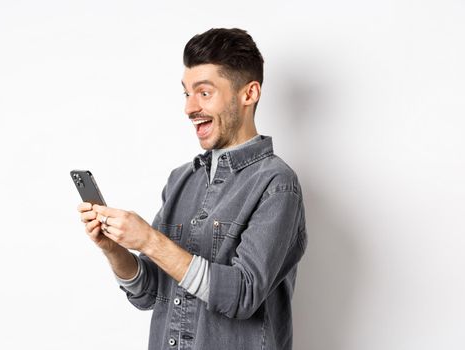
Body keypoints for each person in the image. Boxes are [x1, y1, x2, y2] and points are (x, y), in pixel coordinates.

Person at [78, 28, 307, 350]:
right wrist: (113, 248)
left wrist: (149, 239)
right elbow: (148, 294)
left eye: (204, 92)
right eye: (186, 94)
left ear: (248, 94)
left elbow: (242, 296)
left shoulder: (276, 184)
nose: (189, 108)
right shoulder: (181, 179)